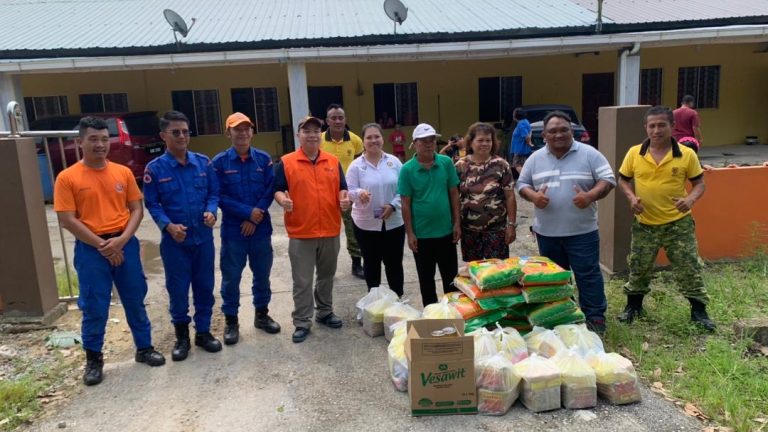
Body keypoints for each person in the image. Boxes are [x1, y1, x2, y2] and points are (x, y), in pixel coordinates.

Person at [54, 117, 165, 386]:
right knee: (94, 305)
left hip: (124, 243)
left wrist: (122, 240)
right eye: (93, 139)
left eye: (104, 139)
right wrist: (103, 246)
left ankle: (144, 348)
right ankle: (93, 359)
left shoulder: (122, 173)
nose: (100, 144)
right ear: (80, 142)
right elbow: (68, 219)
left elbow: (136, 209)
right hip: (92, 250)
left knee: (135, 298)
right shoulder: (67, 178)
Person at [617, 105, 715, 331]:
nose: (656, 130)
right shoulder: (635, 153)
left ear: (672, 126)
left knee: (688, 266)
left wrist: (690, 200)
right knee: (639, 267)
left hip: (677, 224)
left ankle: (699, 312)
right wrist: (631, 197)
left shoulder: (686, 154)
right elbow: (623, 180)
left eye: (662, 125)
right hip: (645, 224)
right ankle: (633, 307)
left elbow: (699, 183)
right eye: (652, 125)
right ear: (646, 128)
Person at [516, 111, 615, 334]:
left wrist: (590, 196)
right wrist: (534, 197)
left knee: (587, 275)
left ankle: (595, 318)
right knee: (554, 280)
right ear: (544, 135)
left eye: (564, 129)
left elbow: (608, 180)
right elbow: (521, 184)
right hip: (547, 233)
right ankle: (563, 318)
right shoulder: (535, 159)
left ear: (572, 131)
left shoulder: (589, 154)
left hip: (582, 232)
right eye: (553, 131)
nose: (558, 134)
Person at [143, 111, 222, 361]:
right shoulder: (154, 169)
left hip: (203, 239)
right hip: (175, 242)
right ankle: (182, 337)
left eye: (185, 131)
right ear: (163, 136)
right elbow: (152, 204)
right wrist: (167, 226)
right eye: (175, 132)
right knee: (178, 290)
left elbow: (213, 194)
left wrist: (211, 212)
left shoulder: (203, 163)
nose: (181, 136)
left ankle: (203, 332)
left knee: (204, 287)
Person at [274, 115, 351, 343]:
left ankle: (325, 312)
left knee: (326, 276)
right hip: (301, 232)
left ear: (321, 135)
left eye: (316, 131)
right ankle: (302, 321)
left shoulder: (332, 161)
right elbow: (277, 189)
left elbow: (342, 189)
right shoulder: (287, 162)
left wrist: (344, 200)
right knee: (303, 281)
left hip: (330, 229)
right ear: (299, 136)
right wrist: (282, 201)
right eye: (306, 131)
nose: (312, 135)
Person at [212, 113, 280, 346]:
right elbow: (217, 195)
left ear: (252, 132)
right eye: (236, 129)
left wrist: (255, 215)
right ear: (228, 133)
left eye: (246, 129)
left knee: (262, 275)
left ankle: (261, 315)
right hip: (233, 232)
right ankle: (232, 321)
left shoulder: (263, 159)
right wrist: (245, 213)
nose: (242, 133)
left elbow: (271, 188)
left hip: (260, 228)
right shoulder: (219, 163)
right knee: (231, 278)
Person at [398, 123, 461, 306]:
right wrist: (410, 233)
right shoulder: (407, 169)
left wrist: (457, 223)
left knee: (451, 280)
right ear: (414, 144)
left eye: (432, 140)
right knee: (426, 281)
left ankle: (453, 315)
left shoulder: (446, 163)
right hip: (422, 236)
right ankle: (432, 316)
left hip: (446, 233)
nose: (428, 144)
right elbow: (405, 204)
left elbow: (454, 193)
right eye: (423, 141)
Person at [346, 123, 405, 296]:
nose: (373, 140)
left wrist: (393, 205)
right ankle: (375, 302)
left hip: (394, 223)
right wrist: (359, 193)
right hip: (366, 225)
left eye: (376, 136)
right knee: (371, 265)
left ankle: (397, 300)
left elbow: (404, 189)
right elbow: (348, 191)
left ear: (382, 138)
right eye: (369, 137)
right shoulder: (356, 166)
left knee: (394, 264)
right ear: (363, 141)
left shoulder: (394, 162)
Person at [455, 122, 517, 262]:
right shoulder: (460, 166)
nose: (485, 144)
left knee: (497, 273)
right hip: (469, 230)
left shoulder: (501, 165)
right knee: (473, 271)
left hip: (496, 230)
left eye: (488, 140)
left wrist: (511, 226)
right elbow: (454, 198)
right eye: (480, 140)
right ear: (471, 142)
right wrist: (456, 224)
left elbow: (510, 196)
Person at [320, 104, 365, 279]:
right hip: (324, 193)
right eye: (333, 117)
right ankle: (325, 267)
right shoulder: (320, 140)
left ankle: (356, 264)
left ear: (345, 119)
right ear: (327, 121)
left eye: (341, 117)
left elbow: (360, 167)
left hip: (348, 193)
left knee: (352, 229)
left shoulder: (355, 140)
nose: (337, 121)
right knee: (325, 231)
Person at [509, 108, 533, 176]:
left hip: (520, 149)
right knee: (523, 165)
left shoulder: (521, 124)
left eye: (514, 114)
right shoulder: (525, 122)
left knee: (517, 164)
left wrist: (529, 143)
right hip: (522, 149)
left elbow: (526, 135)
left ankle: (525, 178)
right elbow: (530, 132)